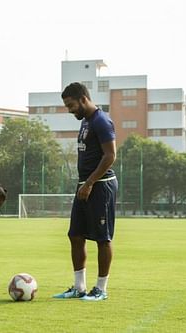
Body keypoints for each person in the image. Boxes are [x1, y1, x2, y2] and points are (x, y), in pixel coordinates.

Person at [53, 82, 118, 301]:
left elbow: (110, 155)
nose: (69, 110)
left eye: (71, 105)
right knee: (75, 235)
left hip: (101, 185)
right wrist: (85, 184)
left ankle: (101, 289)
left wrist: (90, 183)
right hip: (85, 185)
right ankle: (79, 287)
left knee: (102, 238)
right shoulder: (86, 121)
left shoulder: (101, 121)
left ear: (83, 99)